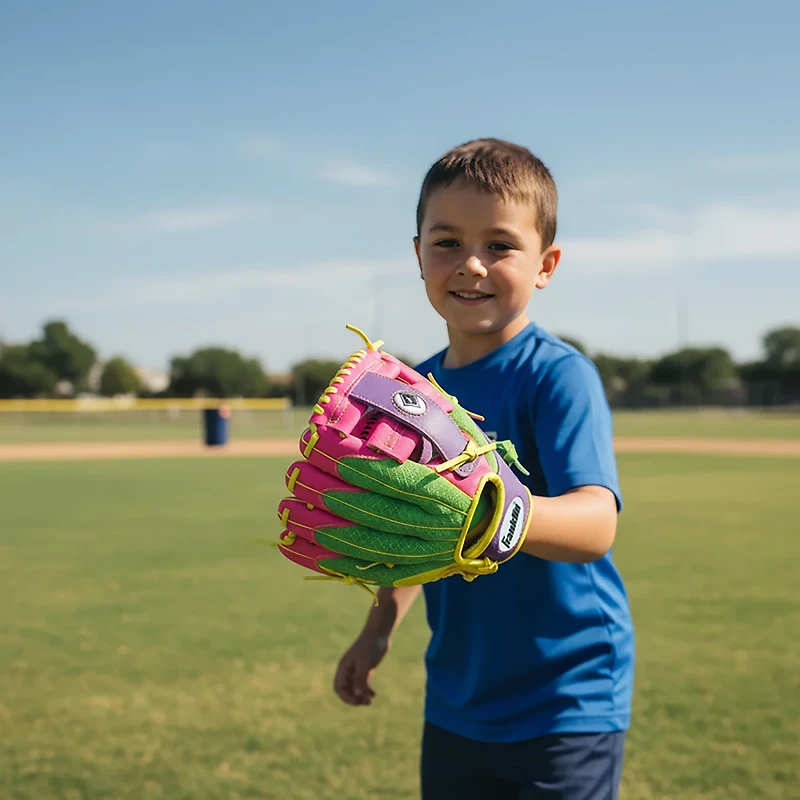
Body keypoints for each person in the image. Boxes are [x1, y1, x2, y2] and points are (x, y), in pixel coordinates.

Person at [333, 138, 634, 799]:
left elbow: (595, 524)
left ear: (546, 264)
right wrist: (379, 627)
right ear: (418, 255)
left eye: (500, 245)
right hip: (458, 699)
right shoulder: (412, 391)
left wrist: (497, 509)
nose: (471, 264)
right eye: (446, 242)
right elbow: (418, 528)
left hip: (564, 700)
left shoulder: (557, 376)